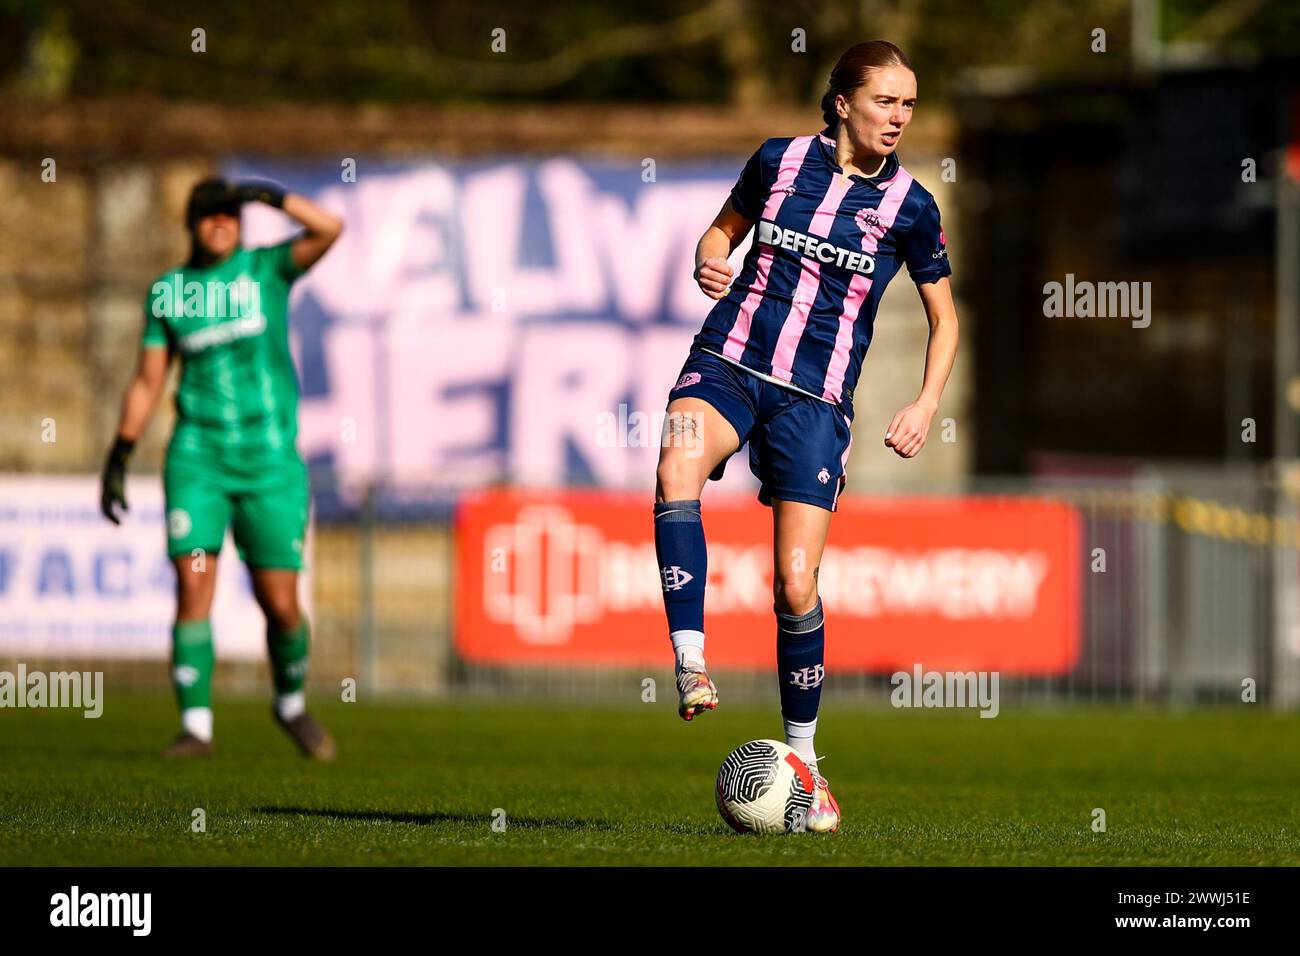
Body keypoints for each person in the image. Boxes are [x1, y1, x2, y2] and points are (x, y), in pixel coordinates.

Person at [653, 40, 959, 832]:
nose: (899, 117)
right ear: (842, 103)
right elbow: (720, 234)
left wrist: (925, 404)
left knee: (794, 586)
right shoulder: (779, 161)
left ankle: (805, 764)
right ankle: (690, 659)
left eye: (910, 104)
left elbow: (945, 318)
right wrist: (707, 258)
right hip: (728, 359)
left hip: (815, 403)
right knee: (676, 463)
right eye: (887, 101)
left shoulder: (912, 207)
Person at [100, 176, 344, 759]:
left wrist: (273, 197)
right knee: (192, 584)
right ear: (191, 224)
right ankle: (197, 728)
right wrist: (120, 451)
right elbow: (148, 379)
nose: (221, 223)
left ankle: (289, 704)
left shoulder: (268, 270)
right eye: (209, 215)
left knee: (280, 603)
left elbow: (330, 228)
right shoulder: (170, 292)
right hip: (198, 460)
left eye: (231, 214)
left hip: (270, 462)